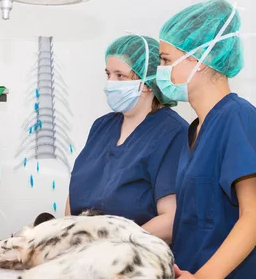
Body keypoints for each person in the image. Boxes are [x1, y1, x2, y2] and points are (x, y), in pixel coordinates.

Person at [157, 0, 256, 279]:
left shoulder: (238, 118)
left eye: (165, 60)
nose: (160, 71)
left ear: (199, 60)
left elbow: (255, 215)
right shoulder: (195, 129)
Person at [66, 34, 188, 243]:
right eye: (108, 74)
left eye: (120, 76)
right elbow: (74, 194)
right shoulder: (102, 126)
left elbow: (171, 220)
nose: (109, 83)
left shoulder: (173, 132)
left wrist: (115, 242)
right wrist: (66, 238)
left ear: (148, 83)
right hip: (82, 254)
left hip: (133, 259)